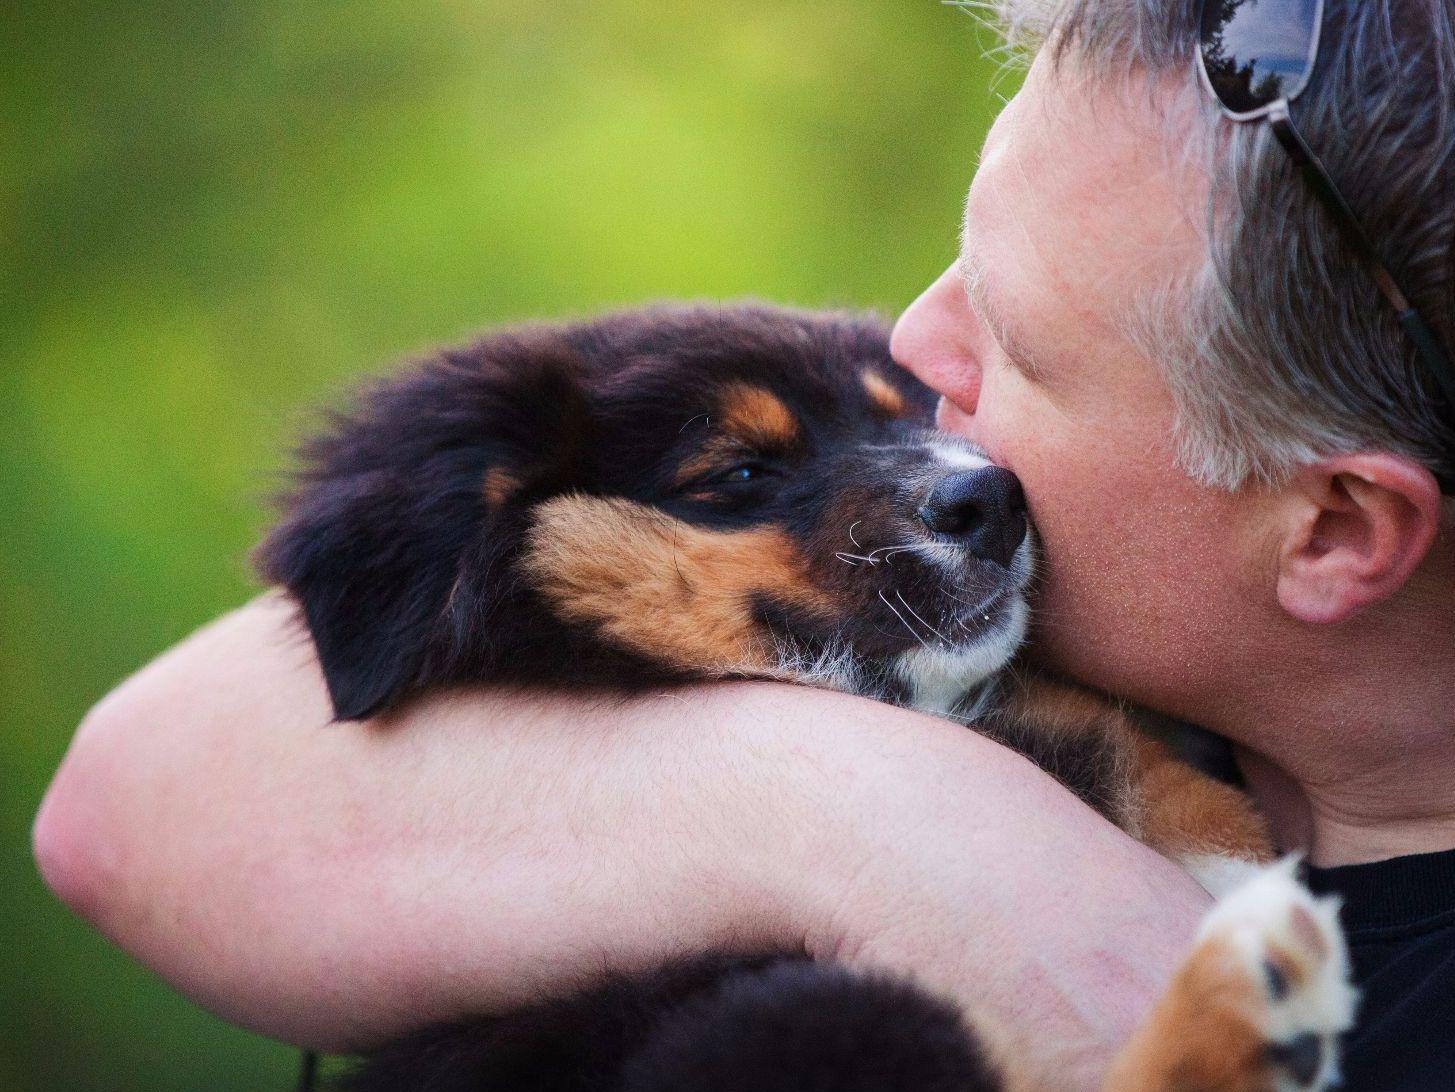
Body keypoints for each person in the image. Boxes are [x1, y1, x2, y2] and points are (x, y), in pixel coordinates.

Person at [32, 1, 1455, 1088]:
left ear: (1333, 529)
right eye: (956, 262)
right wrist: (884, 833)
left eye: (1017, 344)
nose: (912, 346)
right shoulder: (1126, 682)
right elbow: (128, 794)